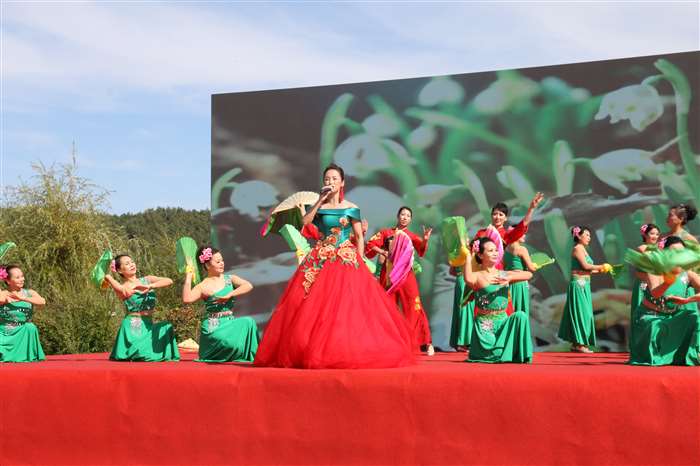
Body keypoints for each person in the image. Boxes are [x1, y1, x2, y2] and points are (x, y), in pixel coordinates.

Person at [254, 163, 414, 368]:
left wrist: (359, 260)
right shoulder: (320, 207)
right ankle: (307, 349)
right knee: (309, 304)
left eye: (334, 179)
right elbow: (305, 223)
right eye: (327, 179)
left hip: (345, 258)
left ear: (342, 183)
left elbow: (359, 236)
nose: (330, 182)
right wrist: (320, 200)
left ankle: (345, 348)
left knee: (347, 306)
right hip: (321, 256)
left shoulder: (351, 207)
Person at [365, 206, 434, 355]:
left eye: (408, 216)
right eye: (402, 214)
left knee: (414, 305)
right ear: (398, 216)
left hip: (406, 274)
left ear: (410, 219)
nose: (404, 217)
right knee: (388, 307)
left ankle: (424, 342)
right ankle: (389, 342)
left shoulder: (411, 236)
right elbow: (370, 245)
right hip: (389, 274)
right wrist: (382, 251)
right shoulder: (386, 233)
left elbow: (421, 250)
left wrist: (425, 240)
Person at [629, 236, 700, 366]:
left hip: (673, 316)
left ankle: (690, 355)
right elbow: (655, 293)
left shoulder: (687, 273)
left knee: (694, 317)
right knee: (655, 326)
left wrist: (687, 300)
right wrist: (668, 282)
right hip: (650, 316)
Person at [182, 246, 259, 363]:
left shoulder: (230, 278)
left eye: (222, 260)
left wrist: (230, 294)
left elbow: (248, 285)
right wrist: (188, 277)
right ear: (207, 265)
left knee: (249, 322)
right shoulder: (202, 286)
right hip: (214, 328)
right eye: (218, 262)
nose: (222, 263)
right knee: (227, 342)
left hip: (229, 323)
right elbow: (187, 299)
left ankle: (242, 353)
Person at [463, 237, 533, 363]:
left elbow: (529, 274)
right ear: (480, 255)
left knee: (521, 316)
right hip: (486, 325)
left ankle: (517, 353)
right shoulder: (477, 276)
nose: (495, 253)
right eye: (490, 251)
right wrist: (469, 255)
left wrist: (509, 278)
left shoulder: (503, 274)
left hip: (503, 322)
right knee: (496, 354)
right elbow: (467, 278)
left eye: (496, 250)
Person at [105, 255, 180, 361]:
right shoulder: (123, 287)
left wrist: (150, 286)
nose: (131, 265)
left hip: (148, 324)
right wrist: (109, 277)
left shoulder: (147, 280)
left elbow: (169, 280)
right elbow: (124, 291)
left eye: (132, 262)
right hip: (134, 325)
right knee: (140, 354)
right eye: (127, 264)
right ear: (120, 270)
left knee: (166, 326)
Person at [557, 226, 611, 353]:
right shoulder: (577, 249)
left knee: (584, 314)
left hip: (585, 283)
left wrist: (602, 270)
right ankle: (580, 344)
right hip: (578, 284)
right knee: (582, 314)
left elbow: (588, 270)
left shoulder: (583, 249)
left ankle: (577, 344)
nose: (589, 238)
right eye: (586, 235)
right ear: (578, 236)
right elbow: (586, 266)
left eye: (590, 235)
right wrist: (602, 266)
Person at [475, 193, 545, 269]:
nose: (497, 217)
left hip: (499, 271)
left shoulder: (508, 235)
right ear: (491, 216)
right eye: (495, 214)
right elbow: (473, 250)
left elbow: (523, 224)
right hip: (481, 270)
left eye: (501, 215)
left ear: (505, 218)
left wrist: (531, 208)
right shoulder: (481, 233)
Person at [0, 264, 46, 362]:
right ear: (8, 281)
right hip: (7, 332)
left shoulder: (29, 293)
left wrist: (23, 298)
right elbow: (1, 299)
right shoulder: (3, 293)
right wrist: (7, 298)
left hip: (24, 330)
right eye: (17, 277)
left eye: (22, 276)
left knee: (30, 327)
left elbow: (42, 302)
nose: (22, 279)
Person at [503, 232, 539, 314]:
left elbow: (504, 266)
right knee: (520, 308)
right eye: (522, 233)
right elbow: (531, 268)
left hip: (509, 282)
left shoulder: (506, 249)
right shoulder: (522, 249)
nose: (524, 236)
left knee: (510, 308)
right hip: (520, 282)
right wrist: (536, 265)